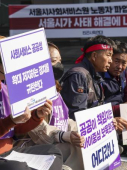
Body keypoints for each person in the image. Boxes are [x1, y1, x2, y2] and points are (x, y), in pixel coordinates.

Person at [0, 35, 63, 170]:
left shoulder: (5, 88)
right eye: (11, 61)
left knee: (53, 153)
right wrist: (10, 121)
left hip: (6, 154)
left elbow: (16, 130)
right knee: (18, 167)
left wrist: (36, 115)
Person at [28, 42, 85, 170]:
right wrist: (63, 136)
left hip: (57, 140)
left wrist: (80, 131)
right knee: (75, 148)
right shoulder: (31, 92)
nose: (59, 65)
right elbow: (37, 128)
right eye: (54, 61)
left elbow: (64, 119)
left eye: (60, 60)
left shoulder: (55, 88)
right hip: (39, 145)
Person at [60, 35, 116, 120]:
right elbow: (77, 115)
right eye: (108, 55)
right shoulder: (79, 75)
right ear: (94, 56)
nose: (110, 60)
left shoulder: (93, 74)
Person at [100, 41, 127, 133]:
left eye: (124, 63)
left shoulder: (123, 73)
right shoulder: (99, 77)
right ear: (109, 58)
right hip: (107, 119)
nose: (120, 67)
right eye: (116, 61)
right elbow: (97, 108)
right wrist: (122, 108)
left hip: (123, 113)